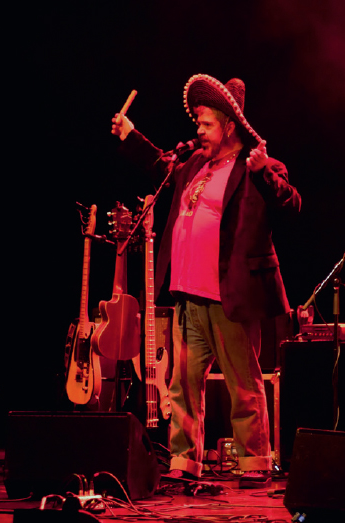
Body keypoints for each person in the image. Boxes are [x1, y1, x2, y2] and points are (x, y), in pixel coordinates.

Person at [111, 74, 300, 486]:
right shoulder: (195, 163)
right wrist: (130, 135)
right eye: (197, 123)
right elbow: (161, 165)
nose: (198, 130)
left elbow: (291, 204)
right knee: (181, 386)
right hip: (187, 297)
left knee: (243, 386)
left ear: (229, 126)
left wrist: (266, 173)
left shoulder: (255, 167)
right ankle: (185, 462)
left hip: (229, 296)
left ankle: (254, 463)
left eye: (206, 124)